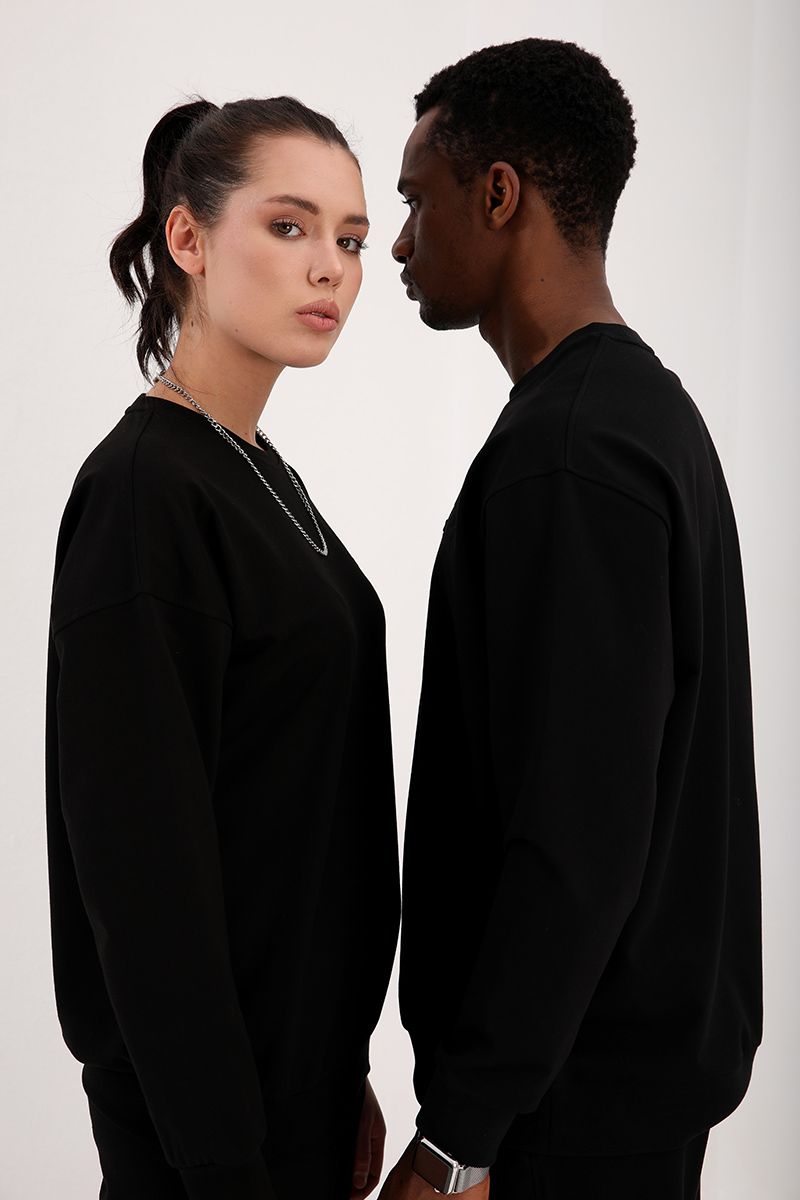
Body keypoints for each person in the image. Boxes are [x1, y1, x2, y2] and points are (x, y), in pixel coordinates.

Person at [379, 38, 762, 1200]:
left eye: (414, 201)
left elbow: (575, 836)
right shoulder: (643, 417)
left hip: (560, 1122)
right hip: (601, 1100)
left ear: (497, 195)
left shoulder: (572, 454)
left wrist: (459, 1138)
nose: (397, 243)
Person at [45, 95, 400, 1200]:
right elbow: (141, 875)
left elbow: (288, 809)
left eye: (350, 239)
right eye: (289, 227)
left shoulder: (254, 469)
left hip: (292, 1092)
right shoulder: (145, 491)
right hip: (209, 1140)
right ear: (188, 240)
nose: (330, 267)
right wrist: (223, 1155)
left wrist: (340, 1072)